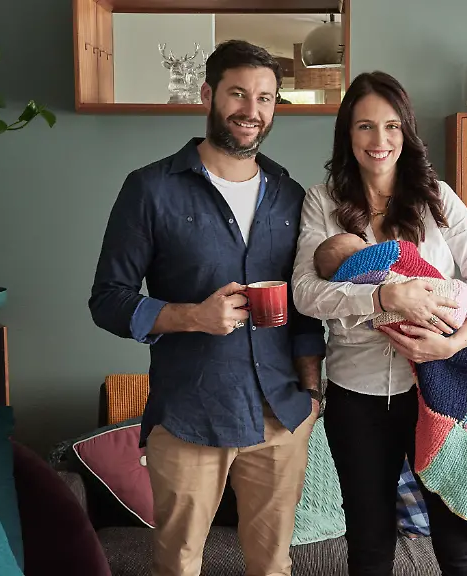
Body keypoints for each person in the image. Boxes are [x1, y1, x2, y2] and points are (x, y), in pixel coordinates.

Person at [89, 39, 326, 576]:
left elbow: (305, 308)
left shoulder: (290, 195)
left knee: (273, 567)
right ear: (207, 95)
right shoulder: (150, 189)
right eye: (238, 94)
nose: (251, 110)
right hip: (190, 414)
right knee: (178, 565)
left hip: (281, 414)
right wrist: (192, 317)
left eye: (265, 98)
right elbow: (108, 299)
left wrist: (312, 395)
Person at [292, 71, 467, 576]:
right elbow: (305, 294)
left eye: (391, 126)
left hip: (436, 395)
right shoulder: (322, 201)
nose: (380, 139)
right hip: (356, 398)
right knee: (369, 547)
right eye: (365, 126)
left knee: (460, 545)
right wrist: (384, 295)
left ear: (406, 131)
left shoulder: (438, 199)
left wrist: (452, 344)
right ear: (347, 134)